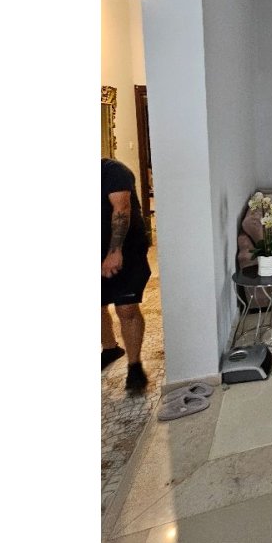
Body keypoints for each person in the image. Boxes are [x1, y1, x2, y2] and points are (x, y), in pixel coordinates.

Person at [102, 158, 151, 391]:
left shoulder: (114, 172)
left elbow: (121, 209)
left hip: (126, 249)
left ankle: (134, 367)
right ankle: (110, 348)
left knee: (126, 308)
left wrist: (114, 252)